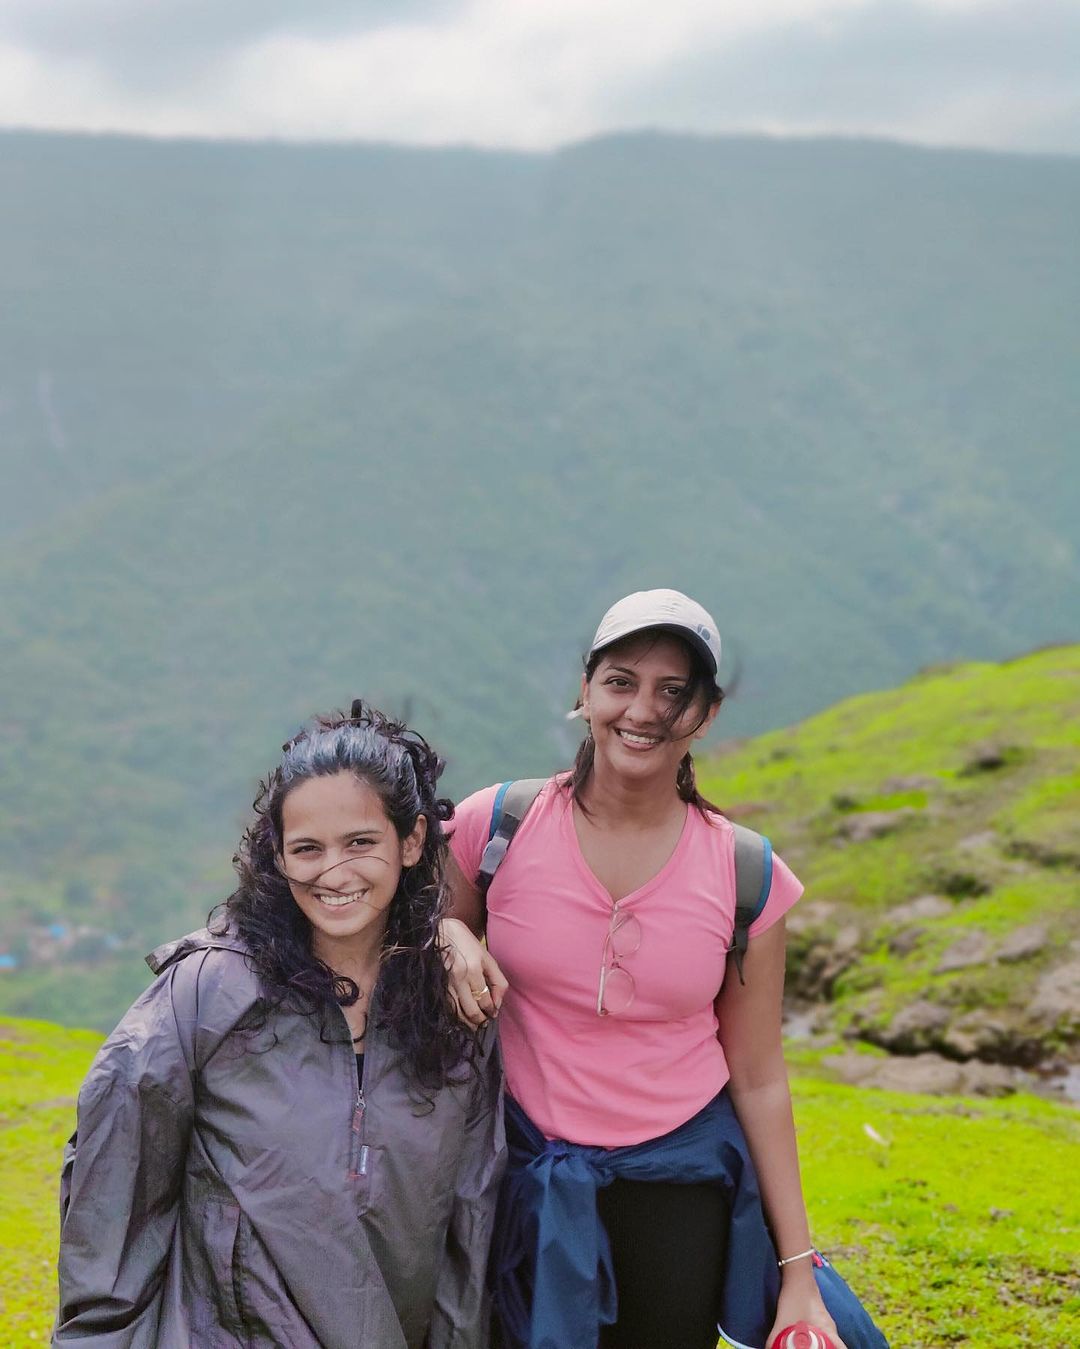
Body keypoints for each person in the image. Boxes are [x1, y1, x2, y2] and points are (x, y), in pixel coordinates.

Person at [442, 591, 887, 1349]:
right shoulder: (497, 826)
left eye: (673, 691)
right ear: (584, 691)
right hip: (519, 1173)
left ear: (705, 714)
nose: (642, 709)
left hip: (677, 1183)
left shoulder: (746, 873)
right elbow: (414, 930)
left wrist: (799, 1272)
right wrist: (450, 929)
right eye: (621, 681)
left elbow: (757, 1075)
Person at [54, 702, 505, 1349]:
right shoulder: (206, 994)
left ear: (409, 842)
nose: (334, 871)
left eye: (360, 842)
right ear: (279, 856)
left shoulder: (455, 1009)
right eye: (307, 848)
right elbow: (110, 1199)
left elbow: (469, 1231)